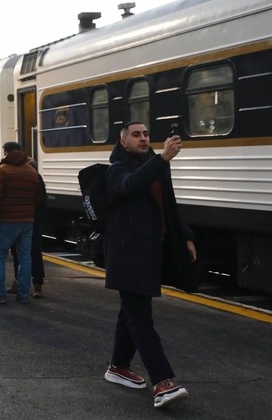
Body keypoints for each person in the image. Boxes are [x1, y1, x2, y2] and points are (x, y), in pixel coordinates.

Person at [102, 121, 195, 409]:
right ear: (123, 141)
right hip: (127, 254)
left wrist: (186, 236)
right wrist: (161, 158)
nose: (143, 139)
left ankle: (117, 367)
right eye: (136, 135)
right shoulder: (115, 170)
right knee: (140, 318)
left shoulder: (155, 166)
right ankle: (163, 382)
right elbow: (129, 186)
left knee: (131, 312)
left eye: (145, 134)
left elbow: (170, 203)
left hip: (148, 251)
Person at [0, 141, 44, 304]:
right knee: (25, 258)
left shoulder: (2, 170)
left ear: (6, 153)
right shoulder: (32, 172)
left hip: (7, 221)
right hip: (27, 222)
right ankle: (24, 294)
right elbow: (38, 199)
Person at [8, 157, 48, 298]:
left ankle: (36, 285)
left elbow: (40, 202)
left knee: (30, 253)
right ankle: (21, 283)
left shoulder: (36, 179)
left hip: (30, 222)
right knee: (21, 253)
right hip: (24, 221)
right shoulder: (31, 179)